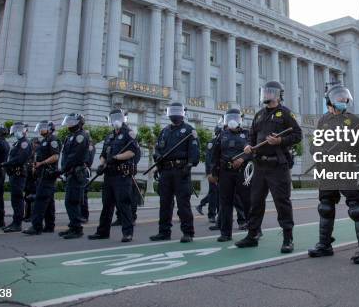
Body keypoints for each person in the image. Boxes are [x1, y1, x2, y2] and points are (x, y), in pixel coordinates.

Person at [308, 84, 359, 263]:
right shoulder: (323, 120)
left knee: (357, 209)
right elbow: (314, 144)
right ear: (330, 101)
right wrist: (320, 150)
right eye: (339, 98)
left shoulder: (355, 120)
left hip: (349, 169)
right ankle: (325, 245)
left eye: (345, 98)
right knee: (325, 207)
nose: (343, 100)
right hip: (328, 170)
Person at [235, 81, 302, 253]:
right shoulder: (259, 115)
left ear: (278, 94)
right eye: (265, 92)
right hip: (259, 165)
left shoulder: (285, 113)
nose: (266, 95)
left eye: (270, 92)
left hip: (277, 165)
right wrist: (248, 146)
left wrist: (280, 140)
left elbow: (297, 135)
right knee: (255, 202)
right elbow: (252, 136)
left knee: (282, 202)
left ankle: (288, 238)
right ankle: (253, 234)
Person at [150, 102, 200, 243]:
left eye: (177, 111)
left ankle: (188, 232)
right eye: (172, 111)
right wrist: (157, 164)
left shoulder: (189, 131)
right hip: (166, 171)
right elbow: (158, 149)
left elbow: (194, 152)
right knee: (165, 203)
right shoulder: (165, 131)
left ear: (183, 113)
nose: (174, 114)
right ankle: (164, 232)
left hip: (181, 170)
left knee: (183, 203)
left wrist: (189, 166)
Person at [89, 108, 140, 243]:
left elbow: (132, 152)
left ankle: (127, 233)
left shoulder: (129, 134)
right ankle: (102, 232)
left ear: (123, 118)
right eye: (113, 118)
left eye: (118, 117)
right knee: (107, 205)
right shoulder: (110, 136)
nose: (115, 120)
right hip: (109, 175)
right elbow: (103, 154)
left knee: (123, 204)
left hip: (122, 175)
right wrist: (102, 164)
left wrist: (116, 157)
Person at [210, 108, 251, 242]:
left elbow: (253, 152)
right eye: (229, 118)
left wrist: (243, 159)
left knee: (247, 202)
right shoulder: (222, 135)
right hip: (225, 173)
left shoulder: (247, 134)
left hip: (242, 173)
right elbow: (215, 155)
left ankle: (254, 231)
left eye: (236, 117)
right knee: (225, 203)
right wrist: (214, 173)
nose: (232, 120)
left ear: (240, 120)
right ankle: (225, 233)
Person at [23, 121, 61, 235]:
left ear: (49, 129)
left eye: (43, 128)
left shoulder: (53, 140)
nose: (40, 130)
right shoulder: (45, 140)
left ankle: (36, 226)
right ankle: (49, 226)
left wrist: (41, 163)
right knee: (48, 201)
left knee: (40, 200)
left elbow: (55, 156)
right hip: (42, 174)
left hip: (47, 174)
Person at [58, 113, 89, 239]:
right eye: (69, 122)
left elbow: (75, 155)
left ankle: (77, 229)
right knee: (69, 201)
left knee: (73, 201)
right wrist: (64, 169)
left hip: (76, 173)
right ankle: (73, 226)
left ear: (79, 123)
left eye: (72, 122)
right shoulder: (71, 136)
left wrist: (62, 169)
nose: (69, 124)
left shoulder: (81, 136)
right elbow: (65, 155)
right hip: (70, 172)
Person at [2, 122, 32, 232]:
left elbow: (20, 158)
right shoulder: (17, 143)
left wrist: (6, 164)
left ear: (24, 130)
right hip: (14, 174)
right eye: (15, 129)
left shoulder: (24, 143)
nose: (16, 132)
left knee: (18, 199)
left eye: (19, 129)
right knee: (14, 199)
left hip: (19, 174)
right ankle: (15, 221)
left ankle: (17, 223)